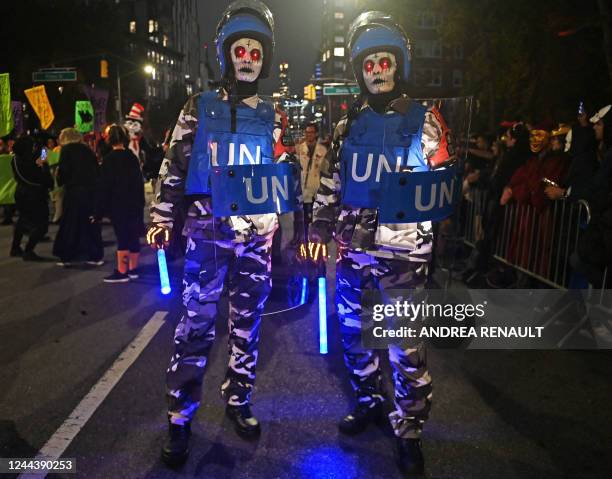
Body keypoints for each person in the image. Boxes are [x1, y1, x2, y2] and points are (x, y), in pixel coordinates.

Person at [148, 0, 291, 466]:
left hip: (255, 237)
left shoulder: (272, 115)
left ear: (263, 58)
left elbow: (282, 172)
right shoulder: (199, 106)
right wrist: (162, 218)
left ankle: (238, 400)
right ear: (226, 55)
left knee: (247, 325)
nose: (247, 58)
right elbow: (175, 164)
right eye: (240, 50)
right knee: (195, 327)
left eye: (255, 51)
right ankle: (180, 418)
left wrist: (293, 225)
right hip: (208, 234)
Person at [309, 11, 451, 477]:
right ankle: (370, 399)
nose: (377, 71)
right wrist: (318, 229)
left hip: (402, 255)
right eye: (369, 64)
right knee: (353, 332)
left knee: (405, 348)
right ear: (359, 70)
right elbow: (330, 182)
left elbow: (442, 186)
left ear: (399, 64)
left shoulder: (425, 121)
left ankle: (408, 430)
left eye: (384, 61)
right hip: (353, 252)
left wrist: (432, 236)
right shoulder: (348, 124)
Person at [97, 125, 145, 282]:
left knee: (122, 236)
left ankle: (122, 271)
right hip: (134, 202)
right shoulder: (132, 157)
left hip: (117, 203)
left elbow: (104, 186)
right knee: (133, 235)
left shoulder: (109, 160)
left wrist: (100, 209)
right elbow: (139, 182)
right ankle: (133, 269)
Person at [52, 128, 104, 267]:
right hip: (90, 191)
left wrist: (59, 177)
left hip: (74, 192)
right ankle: (95, 255)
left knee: (71, 224)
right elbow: (96, 171)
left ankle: (67, 255)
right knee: (90, 223)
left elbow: (63, 172)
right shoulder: (87, 150)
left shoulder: (65, 151)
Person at [10, 136, 54, 261]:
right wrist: (44, 166)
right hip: (34, 194)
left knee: (22, 220)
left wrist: (41, 150)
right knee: (41, 224)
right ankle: (29, 251)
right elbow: (43, 176)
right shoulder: (30, 162)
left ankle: (15, 247)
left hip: (21, 193)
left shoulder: (16, 159)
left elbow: (41, 157)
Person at [292, 122, 328, 244]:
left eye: (311, 132)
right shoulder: (299, 148)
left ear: (316, 133)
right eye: (307, 132)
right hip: (302, 187)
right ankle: (299, 238)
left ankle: (314, 239)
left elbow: (326, 169)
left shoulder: (322, 150)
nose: (308, 135)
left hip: (316, 188)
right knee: (299, 216)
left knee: (314, 216)